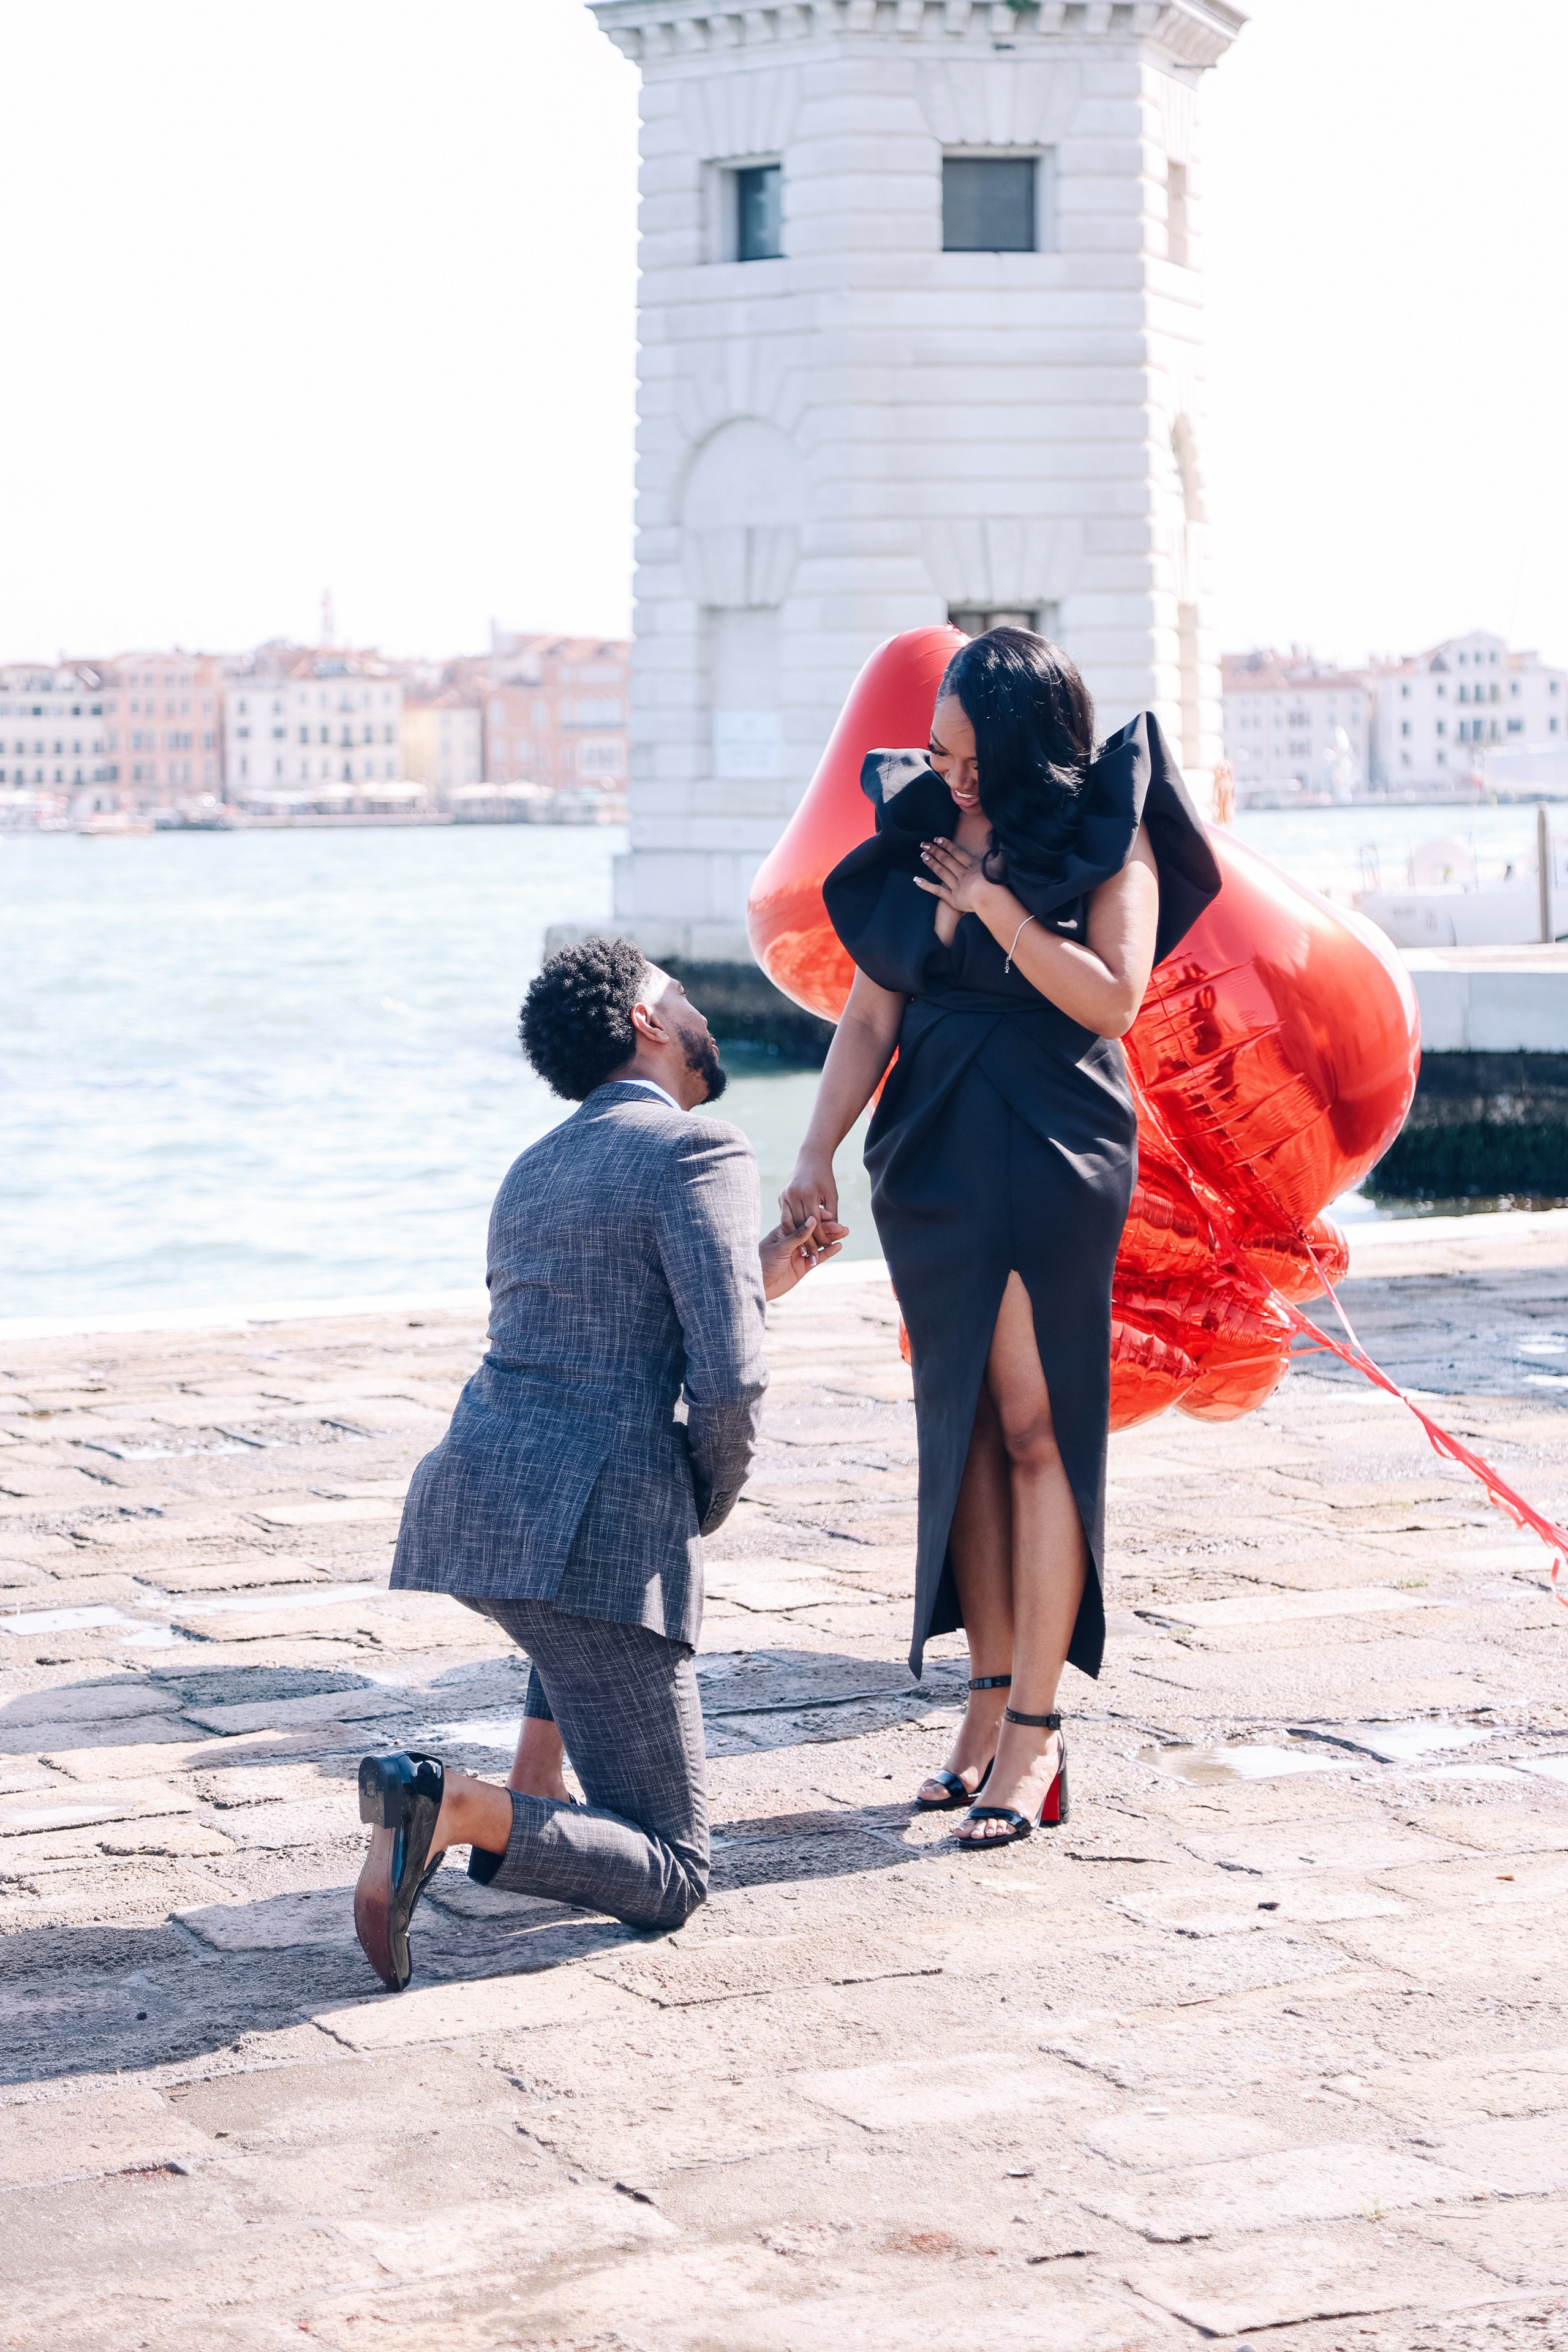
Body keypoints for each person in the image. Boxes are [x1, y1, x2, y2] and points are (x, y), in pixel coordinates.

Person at [779, 629, 1220, 1847]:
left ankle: (1035, 1738)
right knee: (963, 1428)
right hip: (927, 1153)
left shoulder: (1103, 835)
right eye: (937, 753)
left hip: (1048, 1142)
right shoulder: (922, 820)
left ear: (1027, 743)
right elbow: (873, 1009)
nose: (951, 778)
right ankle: (981, 1712)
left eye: (968, 758)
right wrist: (811, 1152)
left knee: (1035, 1430)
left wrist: (993, 908)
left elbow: (1111, 997)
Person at [353, 938, 841, 1991]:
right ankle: (452, 1809)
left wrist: (760, 1275)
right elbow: (731, 1381)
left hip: (478, 1500)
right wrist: (697, 1504)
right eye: (677, 990)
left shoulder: (537, 1165)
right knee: (673, 1869)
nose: (698, 1002)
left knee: (572, 1617)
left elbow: (599, 1327)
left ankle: (532, 1788)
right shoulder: (700, 1149)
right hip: (595, 1524)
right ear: (647, 1021)